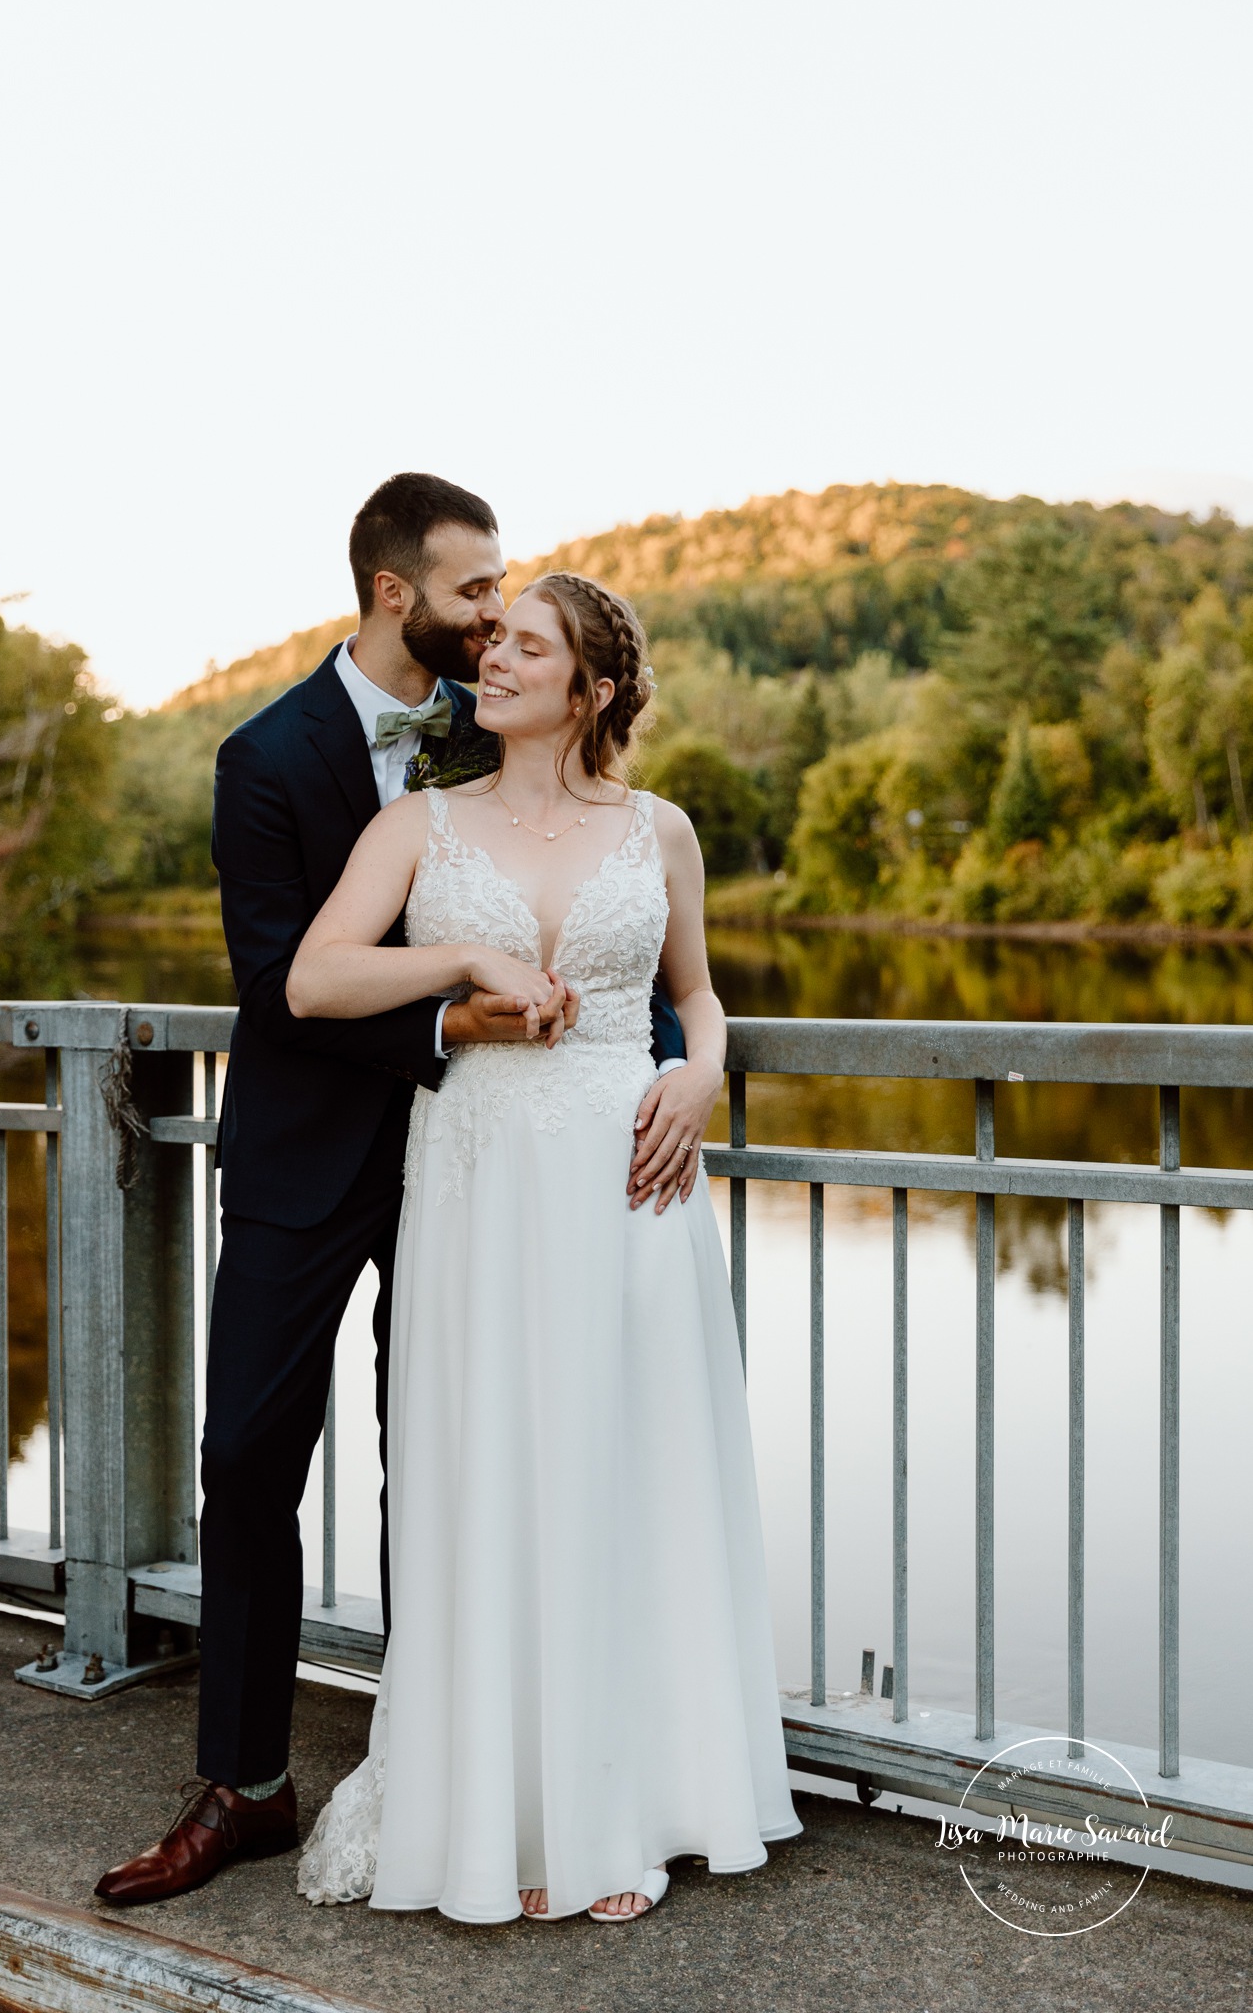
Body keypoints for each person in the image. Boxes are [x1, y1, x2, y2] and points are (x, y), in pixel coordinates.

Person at [94, 475, 687, 1908]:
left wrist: (673, 1062)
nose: (493, 619)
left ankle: (481, 1765)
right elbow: (276, 987)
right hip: (313, 1159)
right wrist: (449, 1015)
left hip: (490, 1170)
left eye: (506, 603)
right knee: (244, 1458)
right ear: (392, 593)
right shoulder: (267, 755)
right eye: (475, 591)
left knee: (467, 1459)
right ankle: (243, 1786)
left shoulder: (548, 762)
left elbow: (619, 948)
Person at [291, 570, 799, 1923]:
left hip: (631, 1187)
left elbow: (697, 996)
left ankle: (629, 1802)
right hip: (480, 1181)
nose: (492, 658)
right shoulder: (418, 826)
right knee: (499, 1467)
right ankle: (508, 1811)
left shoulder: (662, 831)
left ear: (591, 689)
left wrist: (699, 1078)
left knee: (625, 1468)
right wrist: (456, 958)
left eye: (526, 646)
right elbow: (315, 976)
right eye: (492, 640)